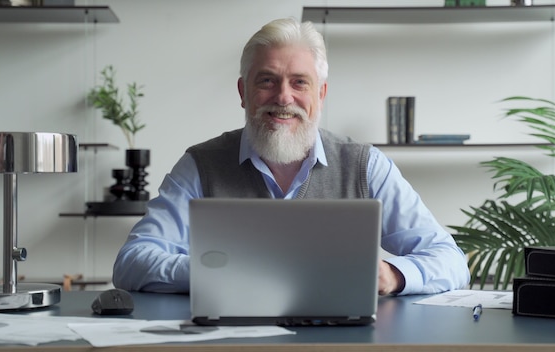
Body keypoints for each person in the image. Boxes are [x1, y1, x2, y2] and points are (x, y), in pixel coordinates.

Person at [112, 17, 470, 295]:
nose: (283, 97)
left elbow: (451, 261)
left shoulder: (365, 166)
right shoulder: (200, 166)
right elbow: (131, 262)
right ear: (243, 91)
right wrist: (218, 273)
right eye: (266, 80)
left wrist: (392, 275)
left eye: (300, 82)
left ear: (321, 93)